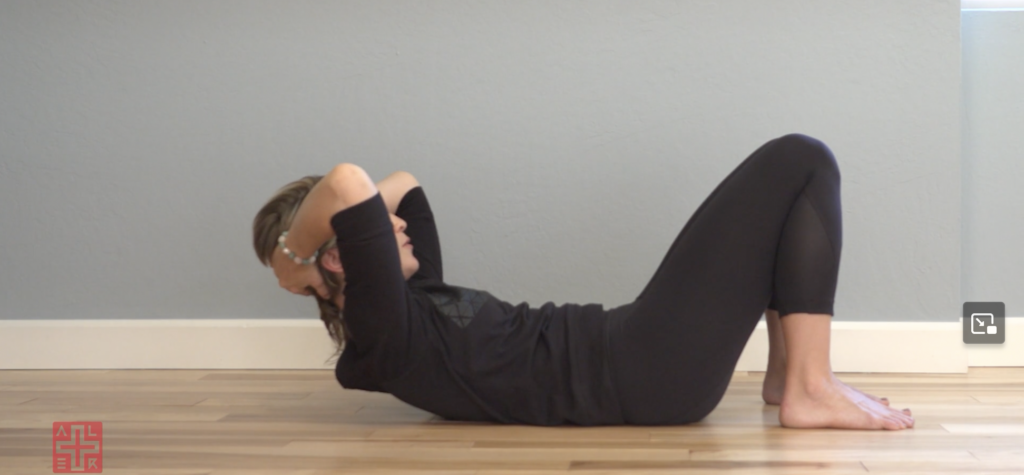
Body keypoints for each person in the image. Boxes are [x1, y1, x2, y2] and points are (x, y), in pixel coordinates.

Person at [251, 133, 914, 430]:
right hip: (640, 369)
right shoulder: (381, 336)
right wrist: (291, 257)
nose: (396, 226)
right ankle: (808, 385)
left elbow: (404, 184)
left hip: (636, 353)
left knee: (795, 174)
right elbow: (348, 181)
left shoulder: (414, 303)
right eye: (374, 229)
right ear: (341, 260)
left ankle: (790, 377)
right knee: (800, 159)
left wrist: (314, 256)